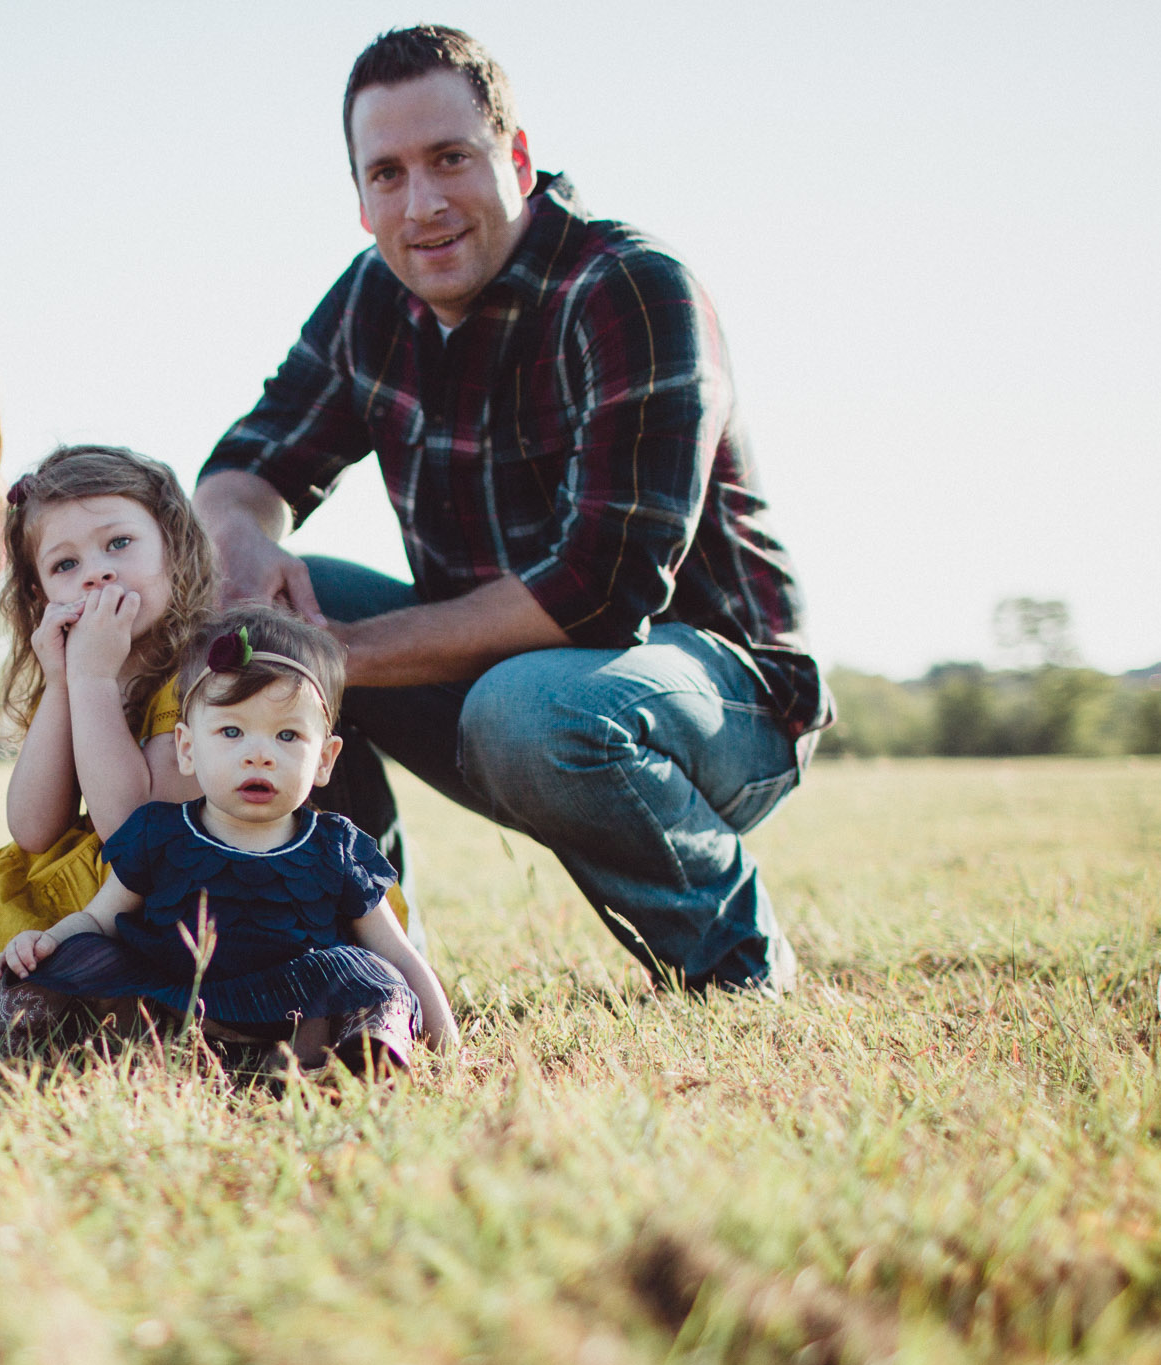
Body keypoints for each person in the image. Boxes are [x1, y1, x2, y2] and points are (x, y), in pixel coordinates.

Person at [196, 25, 831, 995]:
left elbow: (598, 594)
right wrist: (245, 558)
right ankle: (355, 960)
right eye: (389, 174)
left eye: (452, 158)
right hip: (510, 680)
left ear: (519, 159)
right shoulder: (373, 299)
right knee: (296, 603)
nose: (425, 202)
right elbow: (243, 466)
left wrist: (328, 660)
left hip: (715, 699)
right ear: (361, 200)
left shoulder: (629, 289)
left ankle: (737, 965)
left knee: (519, 706)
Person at [0, 606, 457, 1071]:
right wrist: (47, 943)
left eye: (287, 736)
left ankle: (355, 1067)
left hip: (298, 1021)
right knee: (73, 954)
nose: (258, 755)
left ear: (324, 759)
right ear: (188, 748)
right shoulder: (162, 832)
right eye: (232, 732)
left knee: (377, 978)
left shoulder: (336, 847)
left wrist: (449, 1048)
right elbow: (98, 919)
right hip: (173, 1006)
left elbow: (398, 953)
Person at [0, 445, 216, 1001]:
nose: (98, 572)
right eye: (67, 565)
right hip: (105, 884)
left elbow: (136, 836)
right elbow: (34, 829)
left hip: (179, 889)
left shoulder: (201, 674)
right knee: (16, 890)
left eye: (119, 543)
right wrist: (65, 683)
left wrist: (92, 679)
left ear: (173, 548)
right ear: (41, 595)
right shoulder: (79, 669)